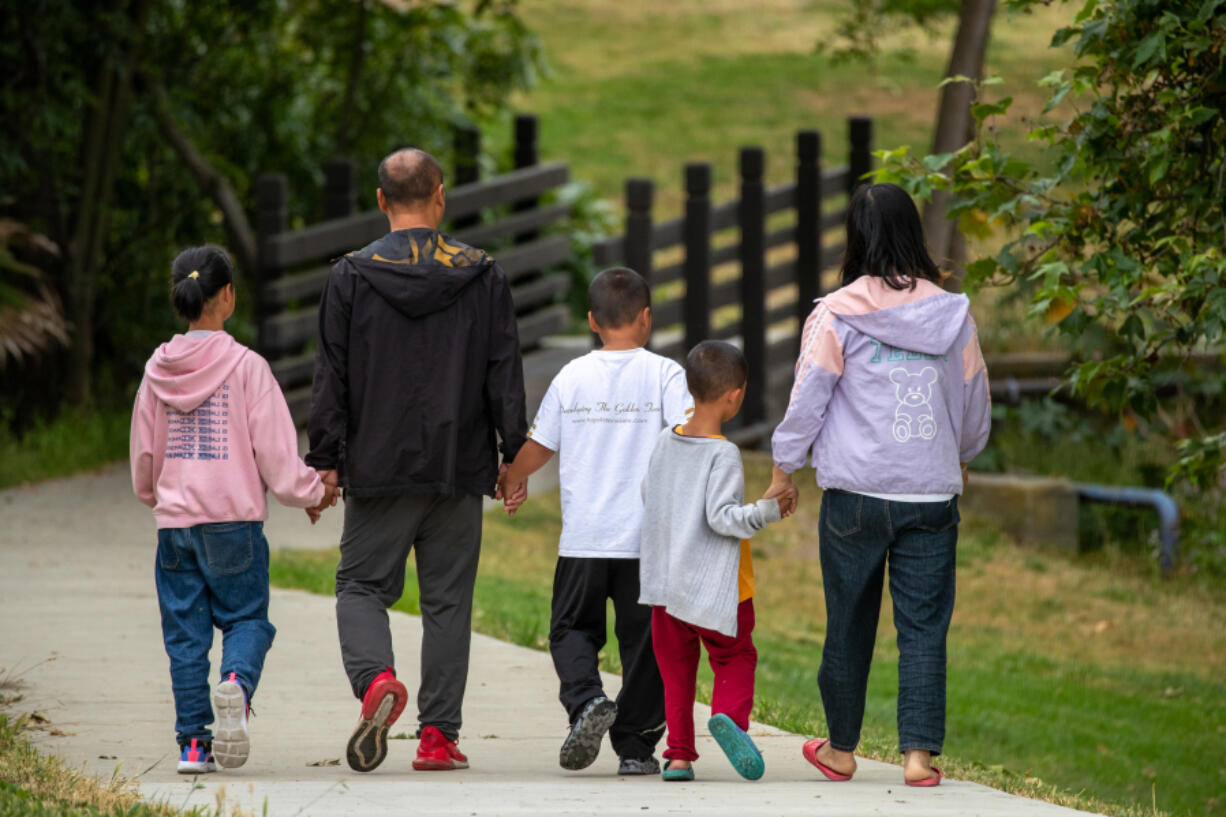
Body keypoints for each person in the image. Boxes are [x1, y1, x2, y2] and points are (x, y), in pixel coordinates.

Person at [306, 148, 527, 774]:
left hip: (379, 468)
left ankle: (377, 680)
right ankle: (438, 738)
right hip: (460, 467)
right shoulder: (483, 275)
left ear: (381, 201)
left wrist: (325, 460)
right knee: (448, 602)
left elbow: (332, 379)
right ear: (440, 197)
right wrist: (512, 458)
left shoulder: (350, 276)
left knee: (360, 585)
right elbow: (502, 375)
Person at [766, 182, 992, 787]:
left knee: (849, 621)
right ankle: (918, 757)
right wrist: (962, 456)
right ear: (914, 233)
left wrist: (783, 466)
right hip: (930, 496)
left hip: (855, 499)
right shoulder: (954, 316)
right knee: (923, 628)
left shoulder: (836, 314)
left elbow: (807, 397)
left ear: (856, 239)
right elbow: (974, 407)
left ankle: (841, 751)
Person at [130, 245, 337, 775]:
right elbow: (275, 456)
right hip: (233, 526)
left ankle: (194, 746)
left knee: (185, 639)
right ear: (227, 295)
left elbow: (145, 456)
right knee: (246, 618)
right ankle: (237, 686)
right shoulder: (247, 368)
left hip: (175, 527)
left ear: (182, 298)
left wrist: (159, 496)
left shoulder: (157, 370)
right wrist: (314, 492)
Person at [497, 267, 691, 776]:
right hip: (647, 541)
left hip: (584, 538)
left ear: (591, 321)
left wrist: (511, 478)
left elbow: (539, 446)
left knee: (570, 630)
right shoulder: (666, 375)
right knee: (645, 646)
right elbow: (690, 439)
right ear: (646, 318)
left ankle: (586, 701)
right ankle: (636, 748)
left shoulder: (572, 376)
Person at [638, 341, 795, 782]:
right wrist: (766, 509)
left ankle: (679, 757)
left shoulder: (665, 441)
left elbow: (649, 496)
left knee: (676, 671)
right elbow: (722, 518)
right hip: (717, 587)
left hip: (666, 587)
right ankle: (731, 722)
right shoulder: (723, 453)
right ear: (735, 395)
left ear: (690, 389)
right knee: (736, 657)